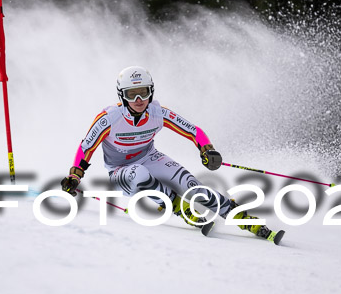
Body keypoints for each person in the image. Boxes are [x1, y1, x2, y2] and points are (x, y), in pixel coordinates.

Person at [61, 65, 278, 241]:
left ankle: (242, 217)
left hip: (150, 157)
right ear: (122, 96)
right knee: (138, 173)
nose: (139, 100)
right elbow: (86, 147)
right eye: (132, 94)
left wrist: (207, 149)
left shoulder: (158, 113)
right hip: (121, 171)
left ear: (151, 92)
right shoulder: (110, 118)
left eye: (143, 92)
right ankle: (178, 207)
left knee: (192, 187)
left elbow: (193, 131)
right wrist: (75, 175)